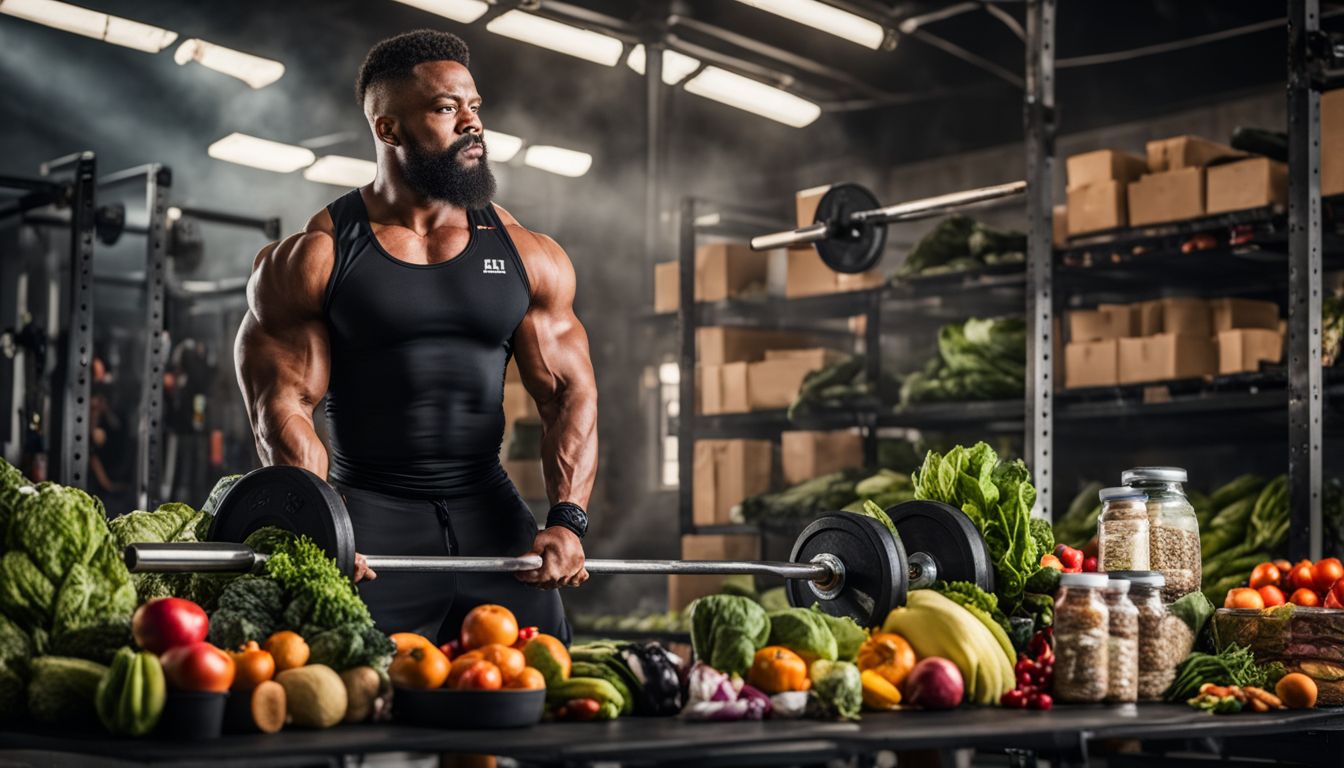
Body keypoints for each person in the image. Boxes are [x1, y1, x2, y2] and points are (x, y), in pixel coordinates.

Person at [235, 29, 597, 645]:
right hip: (369, 519)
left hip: (491, 512)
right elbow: (284, 404)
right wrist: (323, 527)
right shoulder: (316, 257)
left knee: (529, 692)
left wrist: (567, 519)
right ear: (389, 130)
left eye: (475, 106)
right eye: (445, 107)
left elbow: (568, 393)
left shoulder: (527, 254)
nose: (471, 123)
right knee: (352, 697)